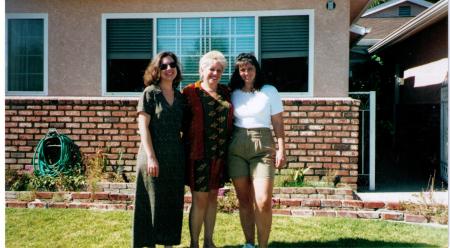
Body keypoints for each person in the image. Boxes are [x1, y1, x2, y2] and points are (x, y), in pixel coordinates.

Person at [228, 53, 286, 248]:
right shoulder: (232, 92)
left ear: (256, 70)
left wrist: (281, 149)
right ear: (238, 71)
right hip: (237, 146)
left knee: (262, 200)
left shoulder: (269, 91)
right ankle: (249, 243)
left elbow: (277, 122)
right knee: (244, 200)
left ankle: (263, 245)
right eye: (242, 69)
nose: (246, 73)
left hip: (263, 146)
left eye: (250, 68)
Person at [132, 51, 186, 248]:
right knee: (152, 203)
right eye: (163, 66)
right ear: (157, 69)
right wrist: (152, 157)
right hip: (152, 156)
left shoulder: (180, 98)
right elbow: (143, 127)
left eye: (172, 65)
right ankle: (149, 244)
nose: (169, 69)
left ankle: (169, 244)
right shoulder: (150, 93)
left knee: (172, 203)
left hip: (175, 158)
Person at [183, 50, 234, 248]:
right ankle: (194, 243)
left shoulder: (225, 92)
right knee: (200, 199)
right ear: (202, 69)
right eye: (211, 69)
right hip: (198, 155)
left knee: (213, 197)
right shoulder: (190, 92)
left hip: (220, 155)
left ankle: (209, 242)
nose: (215, 73)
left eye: (219, 70)